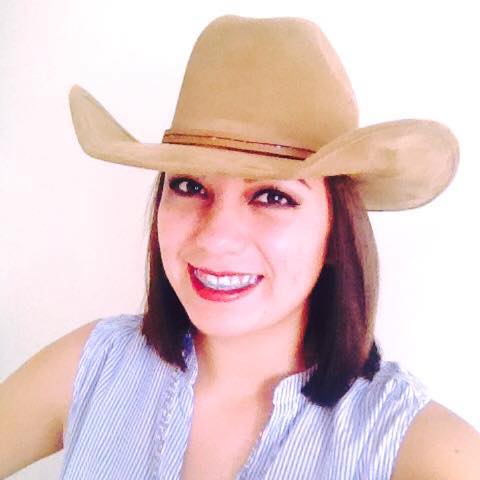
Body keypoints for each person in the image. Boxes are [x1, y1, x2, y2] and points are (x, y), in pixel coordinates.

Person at [1, 13, 479, 480]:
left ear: (336, 231)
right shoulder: (93, 365)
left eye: (272, 196)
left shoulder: (420, 447)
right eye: (189, 186)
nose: (216, 237)